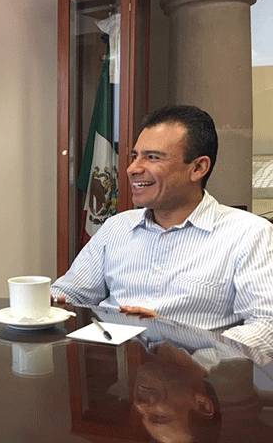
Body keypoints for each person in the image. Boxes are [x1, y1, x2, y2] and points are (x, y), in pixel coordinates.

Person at [51, 105, 273, 350]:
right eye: (135, 156)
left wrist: (177, 339)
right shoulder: (117, 227)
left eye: (152, 157)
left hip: (197, 372)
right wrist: (42, 303)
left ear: (198, 168)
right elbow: (72, 293)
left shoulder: (249, 234)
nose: (133, 168)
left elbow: (266, 326)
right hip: (111, 364)